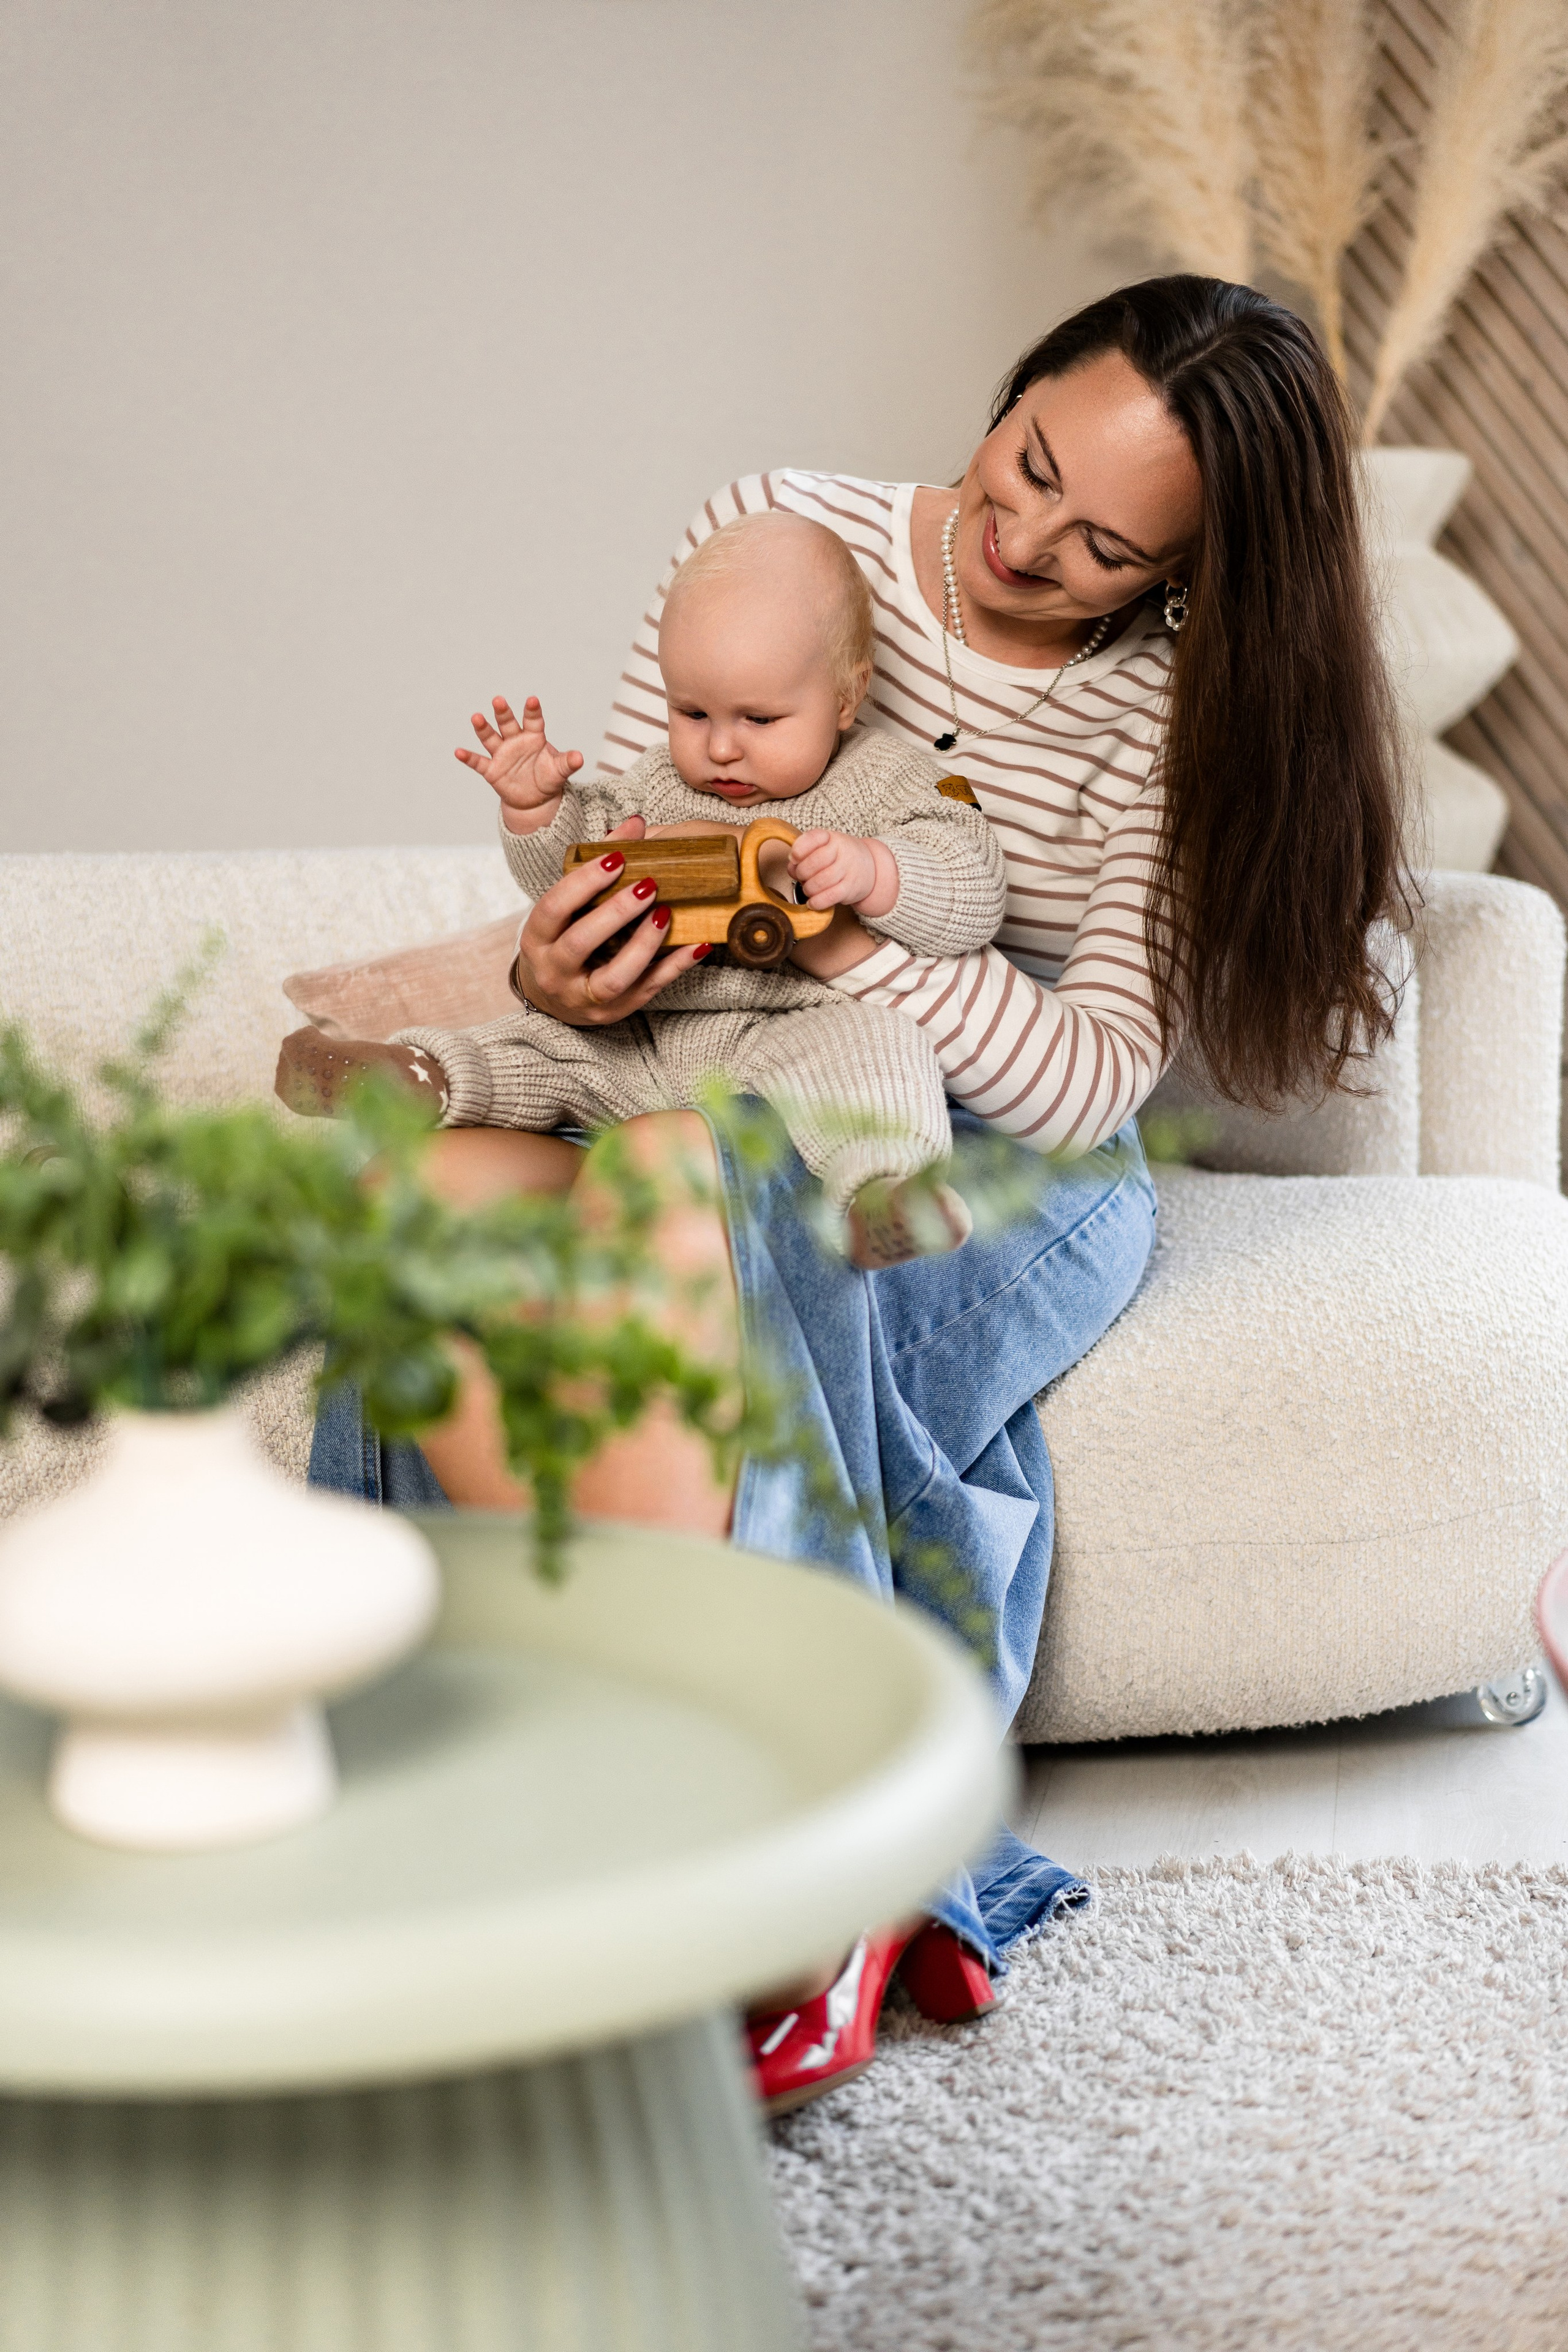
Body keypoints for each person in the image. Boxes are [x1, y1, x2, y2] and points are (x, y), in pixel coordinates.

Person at [303, 276, 1409, 2114]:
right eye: (1028, 455)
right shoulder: (783, 535)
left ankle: (769, 1861)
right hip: (704, 1058)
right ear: (1018, 380)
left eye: (1094, 545)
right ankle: (533, 1776)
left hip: (982, 1156)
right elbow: (647, 834)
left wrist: (834, 939)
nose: (1020, 533)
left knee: (684, 1167)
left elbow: (1083, 1074)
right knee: (453, 1187)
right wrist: (575, 967)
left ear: (1173, 582)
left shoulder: (1160, 714)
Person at [277, 510, 1006, 1268]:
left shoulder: (887, 778)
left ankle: (883, 1193)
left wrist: (876, 872)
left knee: (879, 1053)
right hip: (639, 1031)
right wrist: (539, 810)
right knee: (533, 1045)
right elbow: (579, 867)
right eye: (692, 712)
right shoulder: (659, 780)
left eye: (760, 717)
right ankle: (412, 1076)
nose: (721, 745)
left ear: (847, 697)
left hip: (785, 1032)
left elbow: (974, 883)